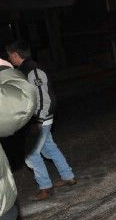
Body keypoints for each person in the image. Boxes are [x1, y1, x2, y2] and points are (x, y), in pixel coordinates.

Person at [6, 40, 76, 201]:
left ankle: (45, 187)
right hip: (40, 119)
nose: (10, 59)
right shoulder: (26, 69)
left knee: (31, 155)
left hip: (39, 120)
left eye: (10, 55)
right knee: (49, 148)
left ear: (16, 54)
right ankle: (67, 176)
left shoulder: (33, 70)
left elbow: (44, 98)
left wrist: (39, 119)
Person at [0, 57, 41, 220]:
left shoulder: (36, 69)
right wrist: (5, 71)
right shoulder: (20, 72)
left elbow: (45, 92)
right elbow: (17, 104)